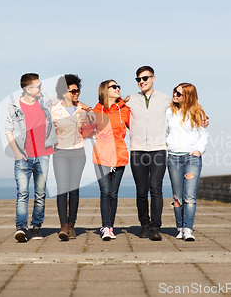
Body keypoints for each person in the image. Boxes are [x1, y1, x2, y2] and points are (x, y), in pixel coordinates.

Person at [5, 73, 57, 242]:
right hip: (23, 157)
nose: (41, 89)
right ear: (28, 89)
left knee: (40, 193)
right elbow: (8, 130)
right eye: (38, 86)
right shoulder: (14, 107)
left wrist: (85, 108)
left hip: (43, 156)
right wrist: (17, 153)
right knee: (22, 193)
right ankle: (21, 227)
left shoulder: (45, 101)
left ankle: (36, 226)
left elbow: (67, 100)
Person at [127, 66, 172, 241]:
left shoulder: (166, 99)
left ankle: (155, 227)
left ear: (153, 78)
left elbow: (184, 109)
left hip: (158, 149)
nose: (142, 82)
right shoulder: (130, 100)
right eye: (138, 79)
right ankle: (144, 225)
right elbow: (110, 107)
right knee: (141, 190)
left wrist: (203, 117)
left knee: (156, 188)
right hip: (137, 150)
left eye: (145, 78)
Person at [84, 80, 130, 241]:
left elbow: (137, 126)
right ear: (105, 90)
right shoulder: (96, 110)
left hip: (119, 155)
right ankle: (106, 227)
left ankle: (111, 226)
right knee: (105, 191)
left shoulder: (124, 110)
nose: (118, 89)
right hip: (101, 156)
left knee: (113, 193)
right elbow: (85, 132)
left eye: (119, 87)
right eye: (114, 87)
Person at [51, 74, 92, 241]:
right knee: (62, 189)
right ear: (63, 92)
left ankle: (72, 226)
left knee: (74, 190)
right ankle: (63, 225)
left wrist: (86, 108)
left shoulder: (81, 110)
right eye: (73, 91)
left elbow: (94, 124)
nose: (76, 93)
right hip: (60, 152)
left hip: (78, 152)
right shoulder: (54, 110)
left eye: (78, 90)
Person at [166, 83, 209, 241]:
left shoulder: (197, 112)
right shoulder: (168, 112)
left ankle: (188, 229)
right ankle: (180, 227)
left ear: (188, 96)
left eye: (179, 93)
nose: (175, 95)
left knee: (189, 196)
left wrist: (198, 150)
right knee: (177, 196)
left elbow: (203, 134)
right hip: (173, 157)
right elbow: (163, 131)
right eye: (174, 92)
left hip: (192, 158)